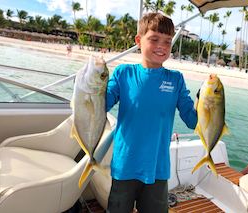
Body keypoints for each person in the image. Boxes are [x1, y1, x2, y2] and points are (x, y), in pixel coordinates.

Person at [105, 12, 198, 213]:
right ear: (139, 41)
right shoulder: (123, 73)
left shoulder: (176, 80)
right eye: (154, 39)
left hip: (157, 169)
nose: (162, 46)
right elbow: (101, 105)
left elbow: (192, 121)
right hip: (125, 166)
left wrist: (209, 104)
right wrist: (88, 87)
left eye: (167, 42)